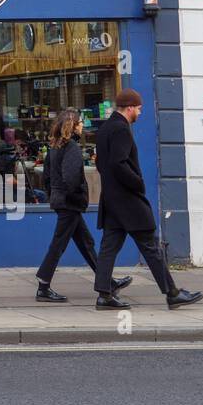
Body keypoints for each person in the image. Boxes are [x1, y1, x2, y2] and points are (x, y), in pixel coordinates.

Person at [93, 89, 203, 311]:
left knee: (109, 248)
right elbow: (118, 163)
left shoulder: (104, 129)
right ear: (130, 107)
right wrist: (138, 183)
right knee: (151, 247)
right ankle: (172, 294)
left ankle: (104, 295)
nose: (140, 113)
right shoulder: (121, 129)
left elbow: (100, 164)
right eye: (139, 109)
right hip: (128, 201)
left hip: (112, 200)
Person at [34, 108, 131, 302]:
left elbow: (46, 176)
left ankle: (107, 281)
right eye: (79, 122)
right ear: (72, 125)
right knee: (58, 244)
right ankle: (43, 286)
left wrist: (54, 194)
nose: (81, 125)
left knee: (86, 243)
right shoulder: (71, 148)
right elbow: (71, 179)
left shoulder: (55, 147)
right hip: (70, 204)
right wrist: (78, 196)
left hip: (64, 202)